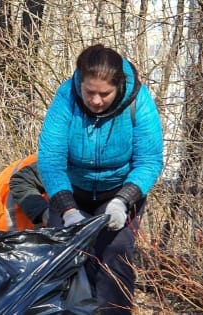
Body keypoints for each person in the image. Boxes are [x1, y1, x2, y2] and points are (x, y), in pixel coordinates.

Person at [37, 44, 164, 314]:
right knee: (62, 256)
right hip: (72, 191)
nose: (95, 100)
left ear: (119, 87)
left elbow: (149, 161)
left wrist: (123, 200)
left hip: (119, 191)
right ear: (79, 83)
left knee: (115, 254)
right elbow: (50, 159)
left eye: (104, 94)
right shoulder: (66, 98)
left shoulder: (139, 101)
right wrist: (68, 210)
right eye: (89, 92)